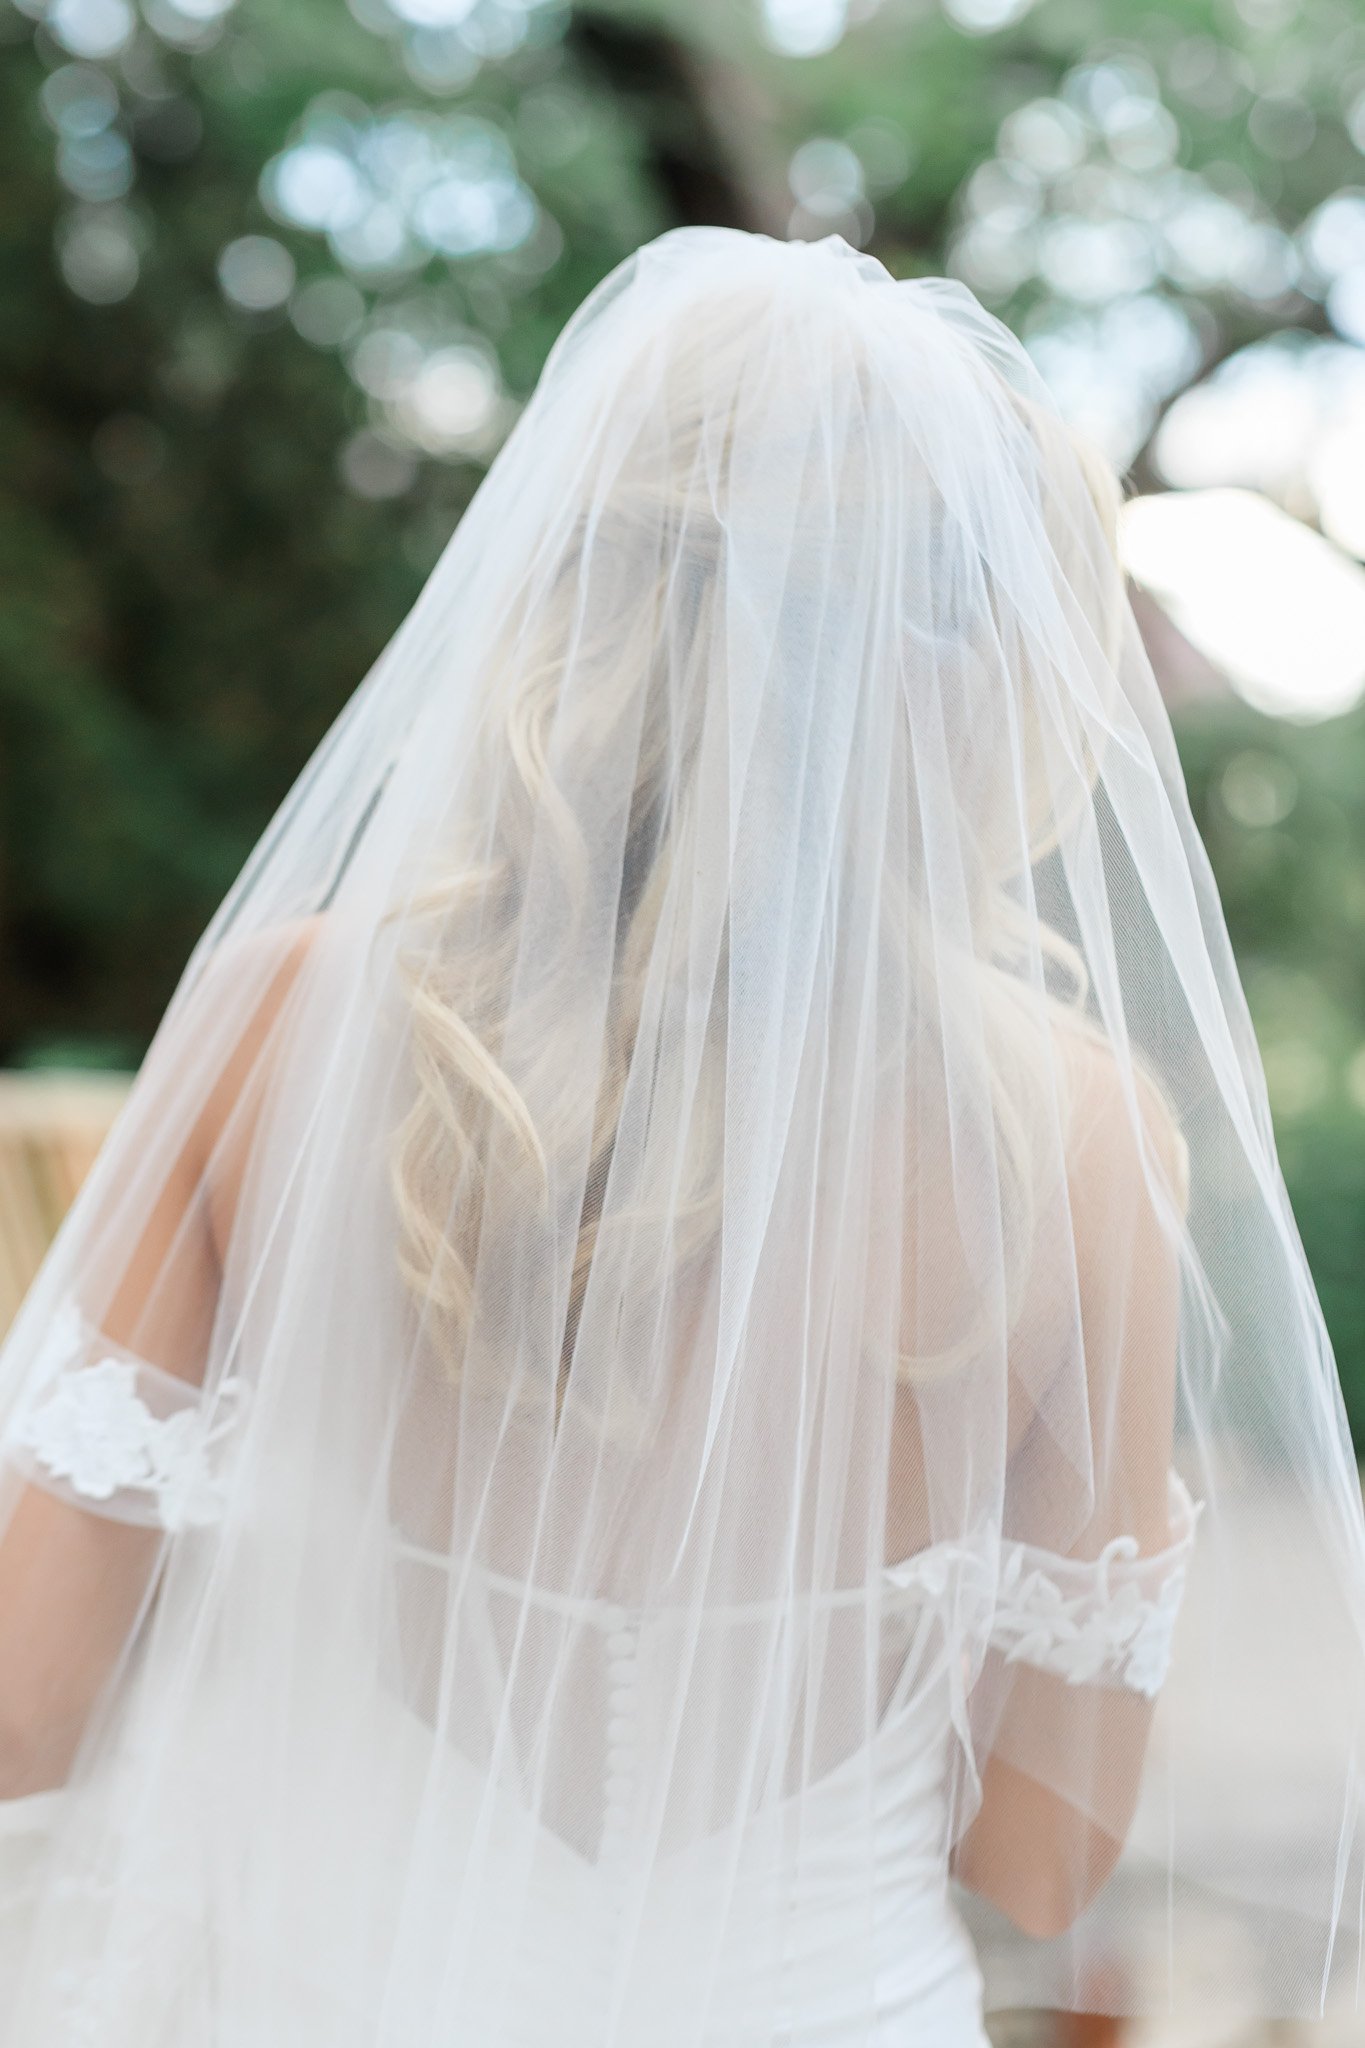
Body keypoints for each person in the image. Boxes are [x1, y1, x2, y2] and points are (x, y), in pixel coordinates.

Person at [1, 226, 1363, 2047]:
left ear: (579, 593)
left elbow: (27, 1711)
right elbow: (1038, 1860)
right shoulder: (1079, 1146)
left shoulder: (284, 1018)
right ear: (1001, 679)